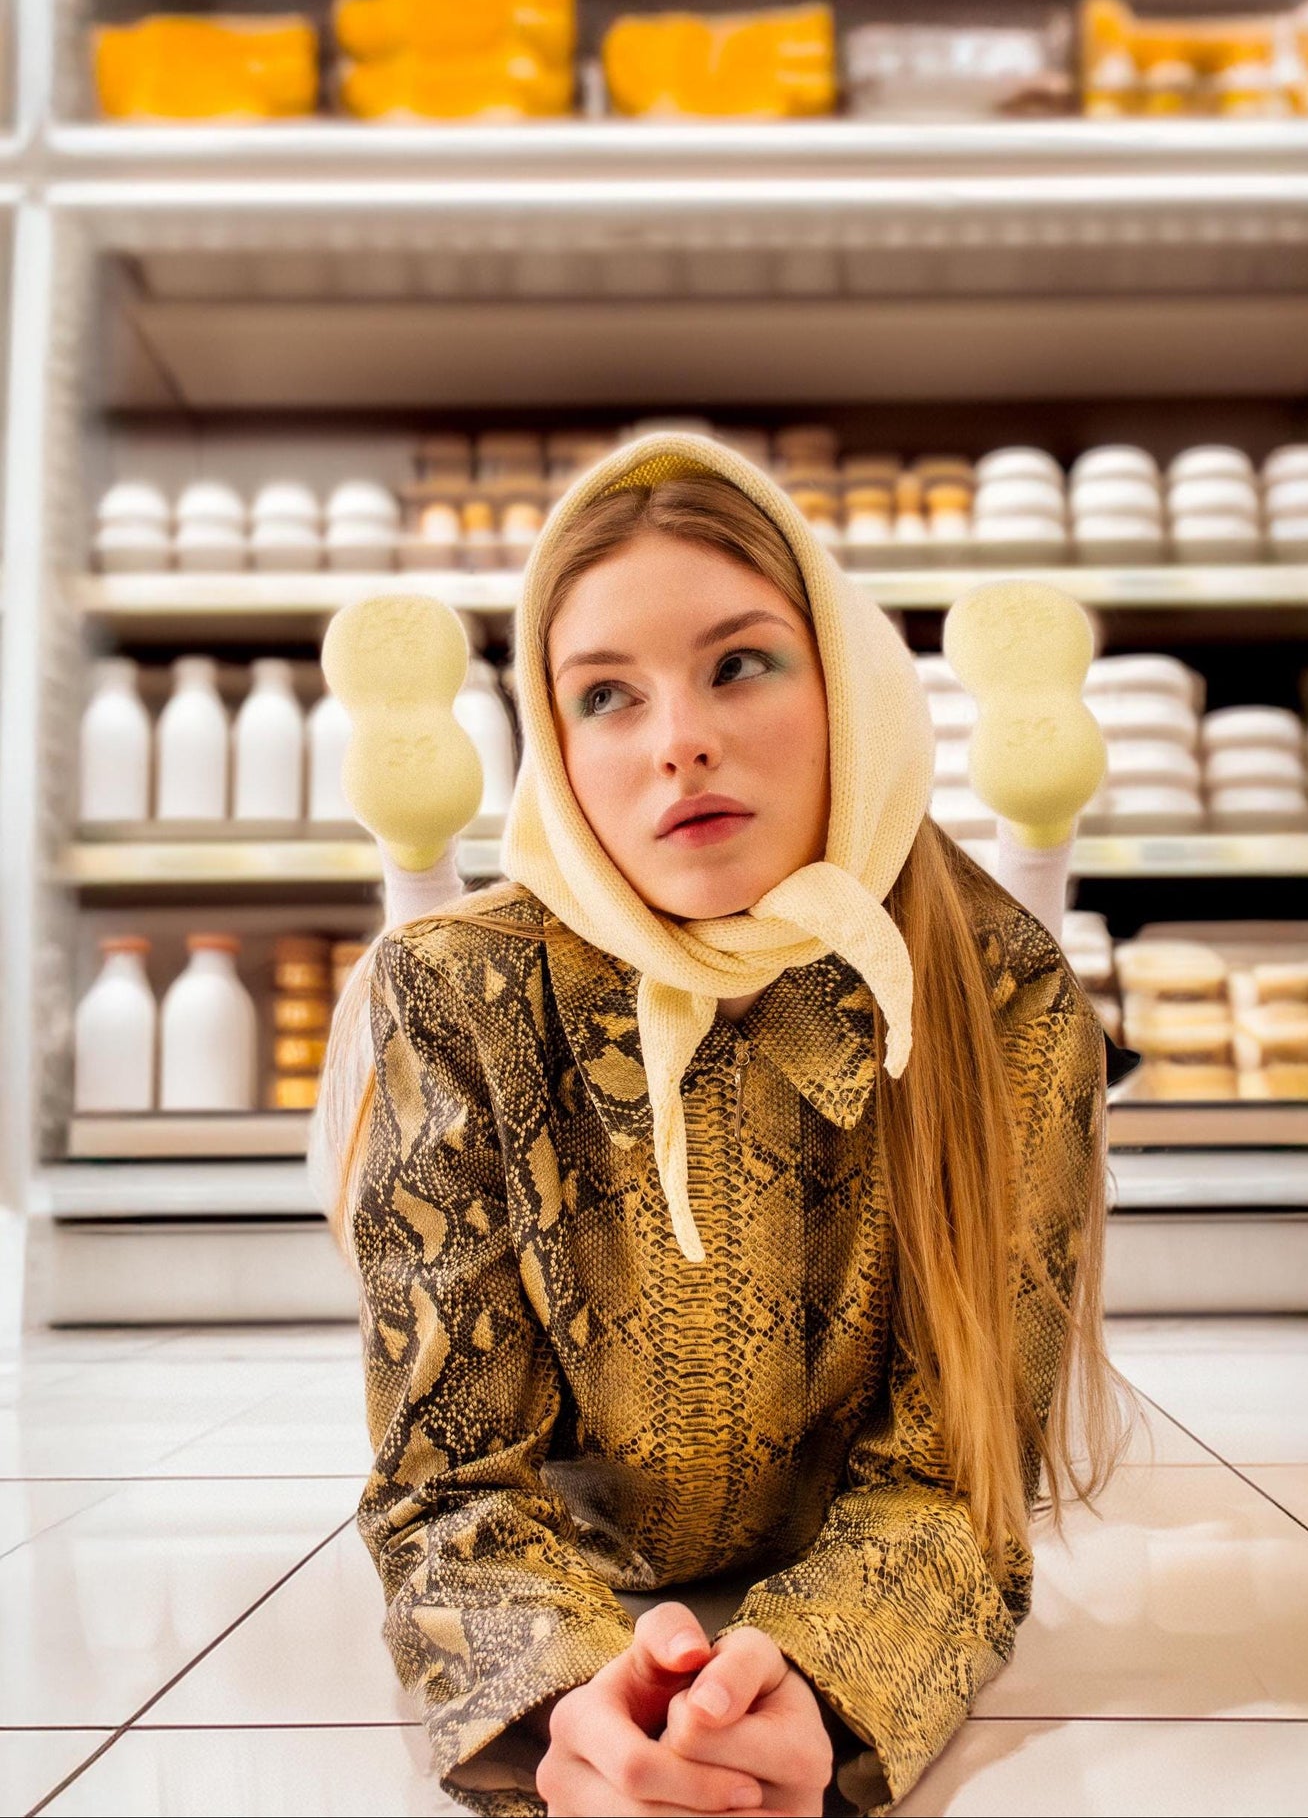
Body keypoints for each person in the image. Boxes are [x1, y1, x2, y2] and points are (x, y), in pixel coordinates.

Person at [311, 431, 1141, 1818]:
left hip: (827, 1568)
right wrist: (572, 1708)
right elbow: (446, 1480)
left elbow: (953, 1486)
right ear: (555, 750)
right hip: (571, 1571)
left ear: (849, 690)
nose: (676, 737)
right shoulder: (457, 988)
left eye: (738, 663)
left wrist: (812, 1693)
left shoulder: (998, 993)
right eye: (604, 696)